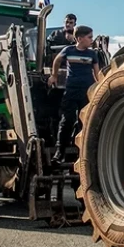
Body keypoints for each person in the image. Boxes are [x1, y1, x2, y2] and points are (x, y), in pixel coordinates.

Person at [50, 25, 100, 162]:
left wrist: (99, 86)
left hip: (87, 92)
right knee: (67, 120)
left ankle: (81, 153)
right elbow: (57, 60)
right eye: (89, 37)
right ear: (80, 38)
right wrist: (54, 75)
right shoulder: (68, 50)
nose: (91, 40)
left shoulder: (92, 54)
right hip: (71, 90)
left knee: (84, 122)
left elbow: (97, 73)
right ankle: (60, 152)